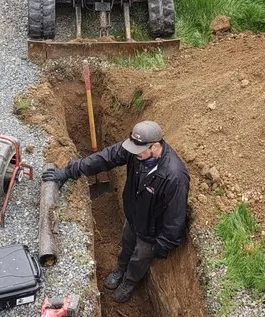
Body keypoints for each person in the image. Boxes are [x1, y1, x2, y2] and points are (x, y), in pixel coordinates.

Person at [41, 120, 189, 303]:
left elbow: (175, 219)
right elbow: (106, 157)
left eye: (138, 152)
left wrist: (160, 247)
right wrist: (70, 172)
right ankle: (120, 270)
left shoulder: (174, 176)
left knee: (139, 259)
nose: (134, 155)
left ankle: (129, 281)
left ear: (155, 147)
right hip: (133, 217)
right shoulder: (138, 151)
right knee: (126, 245)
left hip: (151, 231)